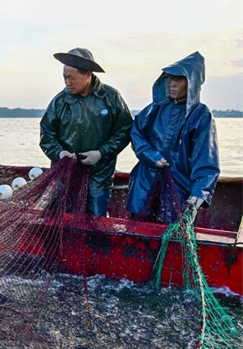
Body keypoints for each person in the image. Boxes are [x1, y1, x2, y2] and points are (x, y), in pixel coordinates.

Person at [126, 52, 220, 222]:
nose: (172, 84)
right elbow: (135, 132)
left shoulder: (201, 115)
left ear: (192, 83)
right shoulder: (154, 109)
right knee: (139, 227)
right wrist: (150, 156)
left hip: (178, 190)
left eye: (179, 79)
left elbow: (206, 159)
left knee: (172, 234)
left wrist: (200, 191)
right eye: (170, 78)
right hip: (145, 183)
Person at [40, 48, 133, 216]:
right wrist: (59, 153)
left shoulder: (111, 97)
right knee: (62, 219)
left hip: (100, 176)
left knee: (95, 220)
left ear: (88, 75)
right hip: (65, 175)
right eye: (64, 77)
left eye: (71, 78)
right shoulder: (59, 101)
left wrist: (101, 153)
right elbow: (46, 134)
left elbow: (125, 130)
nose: (67, 82)